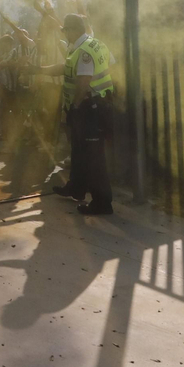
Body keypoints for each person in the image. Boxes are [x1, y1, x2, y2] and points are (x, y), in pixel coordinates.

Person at [43, 13, 118, 215]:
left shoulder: (83, 50)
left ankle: (102, 203)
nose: (65, 34)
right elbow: (110, 64)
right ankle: (76, 188)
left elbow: (83, 82)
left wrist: (75, 107)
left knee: (93, 156)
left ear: (74, 30)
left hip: (89, 108)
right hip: (96, 104)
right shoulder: (94, 44)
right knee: (78, 150)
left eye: (66, 30)